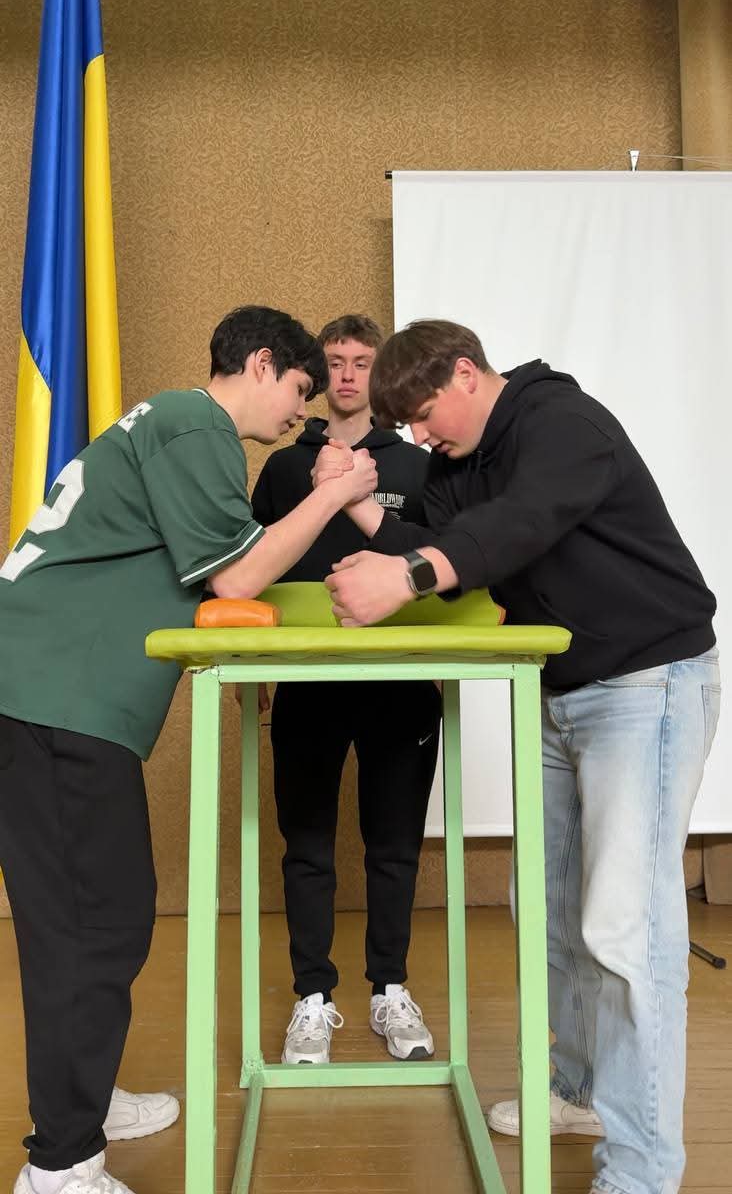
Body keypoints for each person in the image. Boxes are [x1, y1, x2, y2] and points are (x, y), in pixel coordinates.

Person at [318, 319, 720, 1194]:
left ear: (466, 373)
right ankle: (577, 1092)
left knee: (626, 928)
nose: (422, 435)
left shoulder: (561, 422)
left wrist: (408, 576)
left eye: (425, 413)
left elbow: (521, 523)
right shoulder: (462, 461)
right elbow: (441, 541)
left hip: (646, 685)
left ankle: (643, 1172)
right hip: (560, 691)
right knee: (551, 909)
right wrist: (357, 510)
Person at [0, 305, 377, 1194]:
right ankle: (60, 1164)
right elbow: (237, 574)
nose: (300, 409)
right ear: (260, 363)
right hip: (49, 699)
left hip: (57, 700)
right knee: (87, 929)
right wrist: (333, 494)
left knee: (111, 916)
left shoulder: (174, 426)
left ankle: (85, 1103)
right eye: (298, 387)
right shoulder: (194, 423)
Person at [251, 314, 441, 1066]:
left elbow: (441, 565)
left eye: (363, 361)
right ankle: (312, 997)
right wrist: (255, 669)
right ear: (319, 371)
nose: (349, 374)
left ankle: (390, 990)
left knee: (394, 846)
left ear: (380, 370)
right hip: (307, 682)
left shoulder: (418, 465)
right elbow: (253, 569)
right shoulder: (283, 468)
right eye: (336, 361)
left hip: (400, 682)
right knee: (306, 847)